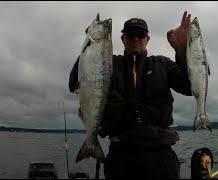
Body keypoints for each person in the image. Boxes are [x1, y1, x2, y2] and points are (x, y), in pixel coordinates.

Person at [69, 11, 192, 179]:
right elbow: (73, 84)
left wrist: (183, 51)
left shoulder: (163, 64)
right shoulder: (107, 63)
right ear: (122, 39)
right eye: (130, 35)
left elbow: (190, 87)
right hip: (120, 158)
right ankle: (90, 145)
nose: (135, 39)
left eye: (140, 35)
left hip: (161, 157)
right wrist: (89, 50)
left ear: (148, 39)